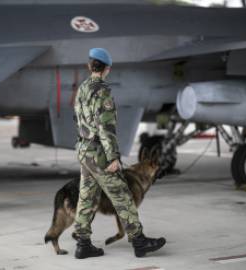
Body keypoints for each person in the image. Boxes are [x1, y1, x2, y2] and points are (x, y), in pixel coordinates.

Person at [73, 48, 166, 259]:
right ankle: (139, 241)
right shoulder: (102, 92)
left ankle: (83, 243)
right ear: (107, 69)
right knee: (123, 196)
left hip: (84, 151)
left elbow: (78, 120)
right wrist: (113, 157)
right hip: (100, 155)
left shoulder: (82, 89)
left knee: (87, 196)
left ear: (89, 66)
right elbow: (105, 127)